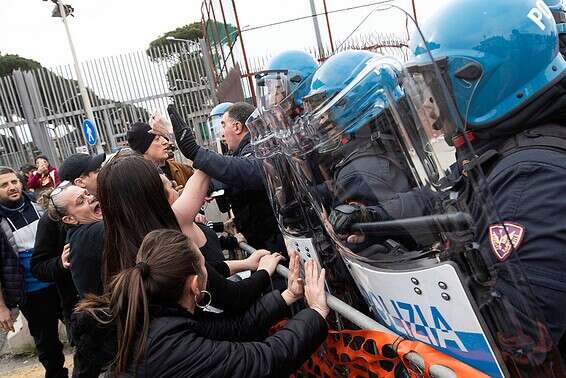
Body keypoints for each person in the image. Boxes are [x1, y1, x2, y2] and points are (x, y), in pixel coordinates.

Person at [75, 229, 329, 377]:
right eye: (204, 264)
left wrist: (288, 296)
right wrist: (316, 312)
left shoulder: (155, 313)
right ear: (195, 285)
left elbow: (236, 328)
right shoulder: (167, 343)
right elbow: (264, 361)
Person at [168, 102, 286, 253]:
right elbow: (227, 179)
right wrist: (205, 188)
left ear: (237, 127)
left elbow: (244, 171)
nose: (221, 133)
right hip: (264, 244)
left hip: (276, 246)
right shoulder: (241, 152)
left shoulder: (260, 149)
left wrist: (195, 152)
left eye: (223, 125)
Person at [0, 167, 68, 377]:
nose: (12, 187)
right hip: (32, 294)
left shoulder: (39, 207)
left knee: (82, 331)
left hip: (60, 283)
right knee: (49, 346)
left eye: (14, 182)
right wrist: (2, 307)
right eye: (4, 185)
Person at [31, 153, 105, 325]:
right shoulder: (51, 221)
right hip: (82, 309)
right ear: (80, 181)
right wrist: (60, 263)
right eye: (97, 170)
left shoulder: (97, 201)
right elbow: (38, 267)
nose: (102, 172)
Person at [126, 121, 194, 188]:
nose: (165, 141)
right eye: (157, 139)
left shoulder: (183, 170)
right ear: (144, 148)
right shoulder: (138, 180)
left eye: (163, 137)